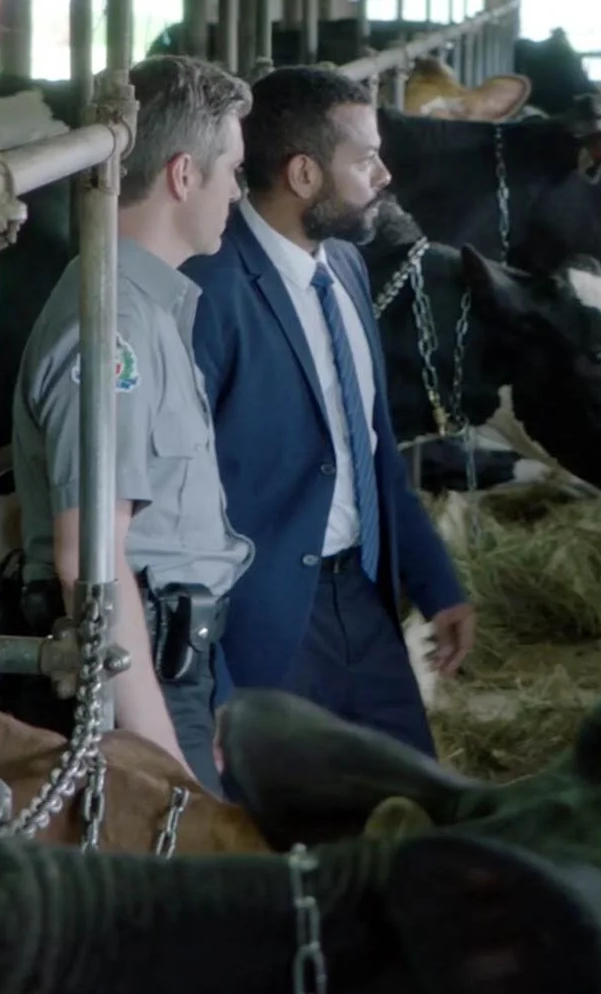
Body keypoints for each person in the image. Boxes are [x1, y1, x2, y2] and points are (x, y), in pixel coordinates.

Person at [182, 64, 476, 758]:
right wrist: (213, 682)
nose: (384, 177)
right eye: (366, 158)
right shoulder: (207, 294)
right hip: (264, 626)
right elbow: (181, 510)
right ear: (304, 176)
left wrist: (436, 583)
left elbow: (368, 449)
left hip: (365, 599)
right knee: (283, 839)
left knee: (409, 804)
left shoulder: (342, 267)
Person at [11, 54, 256, 792]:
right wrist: (161, 759)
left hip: (167, 662)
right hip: (126, 683)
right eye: (233, 170)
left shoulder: (148, 309)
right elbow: (89, 560)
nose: (239, 192)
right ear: (184, 176)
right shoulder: (110, 329)